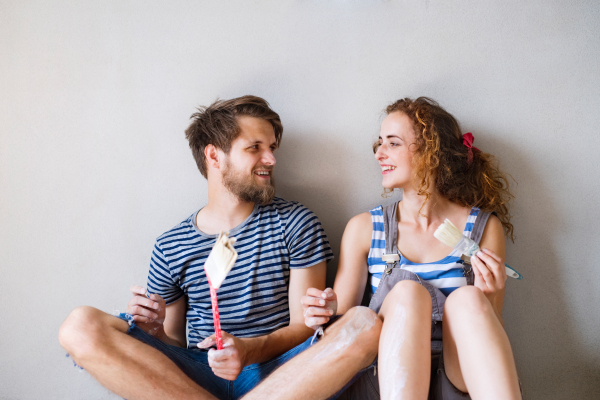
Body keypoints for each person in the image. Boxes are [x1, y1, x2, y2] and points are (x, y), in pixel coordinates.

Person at [59, 95, 340, 400]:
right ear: (214, 156)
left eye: (271, 148)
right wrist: (155, 332)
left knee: (360, 325)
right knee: (79, 326)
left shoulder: (295, 223)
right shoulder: (170, 246)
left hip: (276, 374)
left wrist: (247, 351)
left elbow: (304, 328)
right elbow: (175, 343)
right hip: (197, 377)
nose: (271, 160)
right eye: (254, 148)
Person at [244, 97, 521, 400]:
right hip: (383, 377)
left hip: (456, 379)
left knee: (468, 299)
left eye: (392, 143)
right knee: (406, 292)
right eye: (379, 144)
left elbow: (492, 331)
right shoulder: (365, 228)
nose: (379, 153)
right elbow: (347, 322)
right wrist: (326, 310)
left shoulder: (482, 227)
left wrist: (490, 294)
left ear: (431, 152)